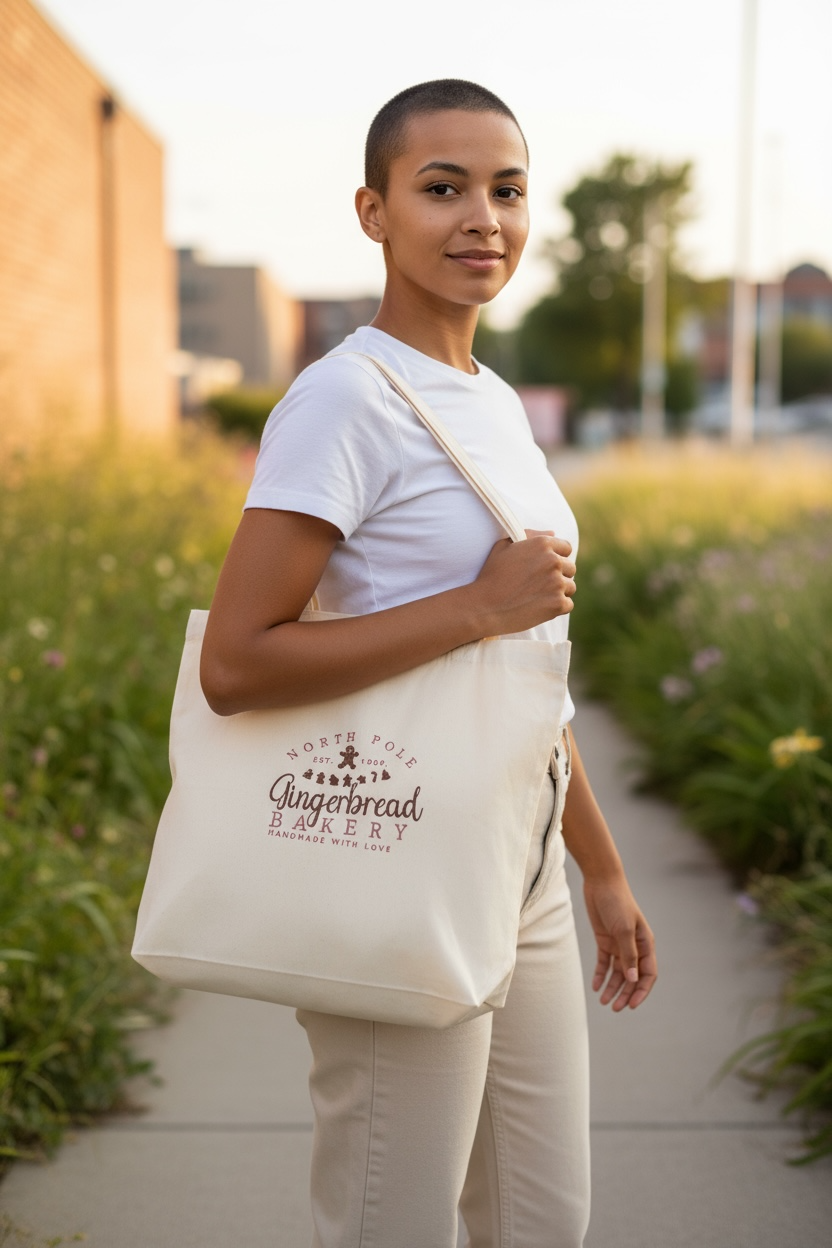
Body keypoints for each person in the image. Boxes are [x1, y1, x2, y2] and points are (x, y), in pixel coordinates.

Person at [200, 79, 657, 1248]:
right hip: (394, 855)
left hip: (521, 866)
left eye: (507, 190)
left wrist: (598, 869)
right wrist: (473, 607)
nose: (482, 219)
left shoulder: (490, 401)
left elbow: (525, 676)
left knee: (542, 1220)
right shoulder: (343, 401)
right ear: (374, 211)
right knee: (389, 1222)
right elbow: (236, 664)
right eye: (442, 188)